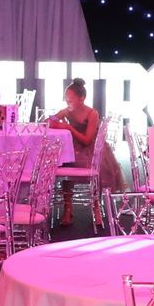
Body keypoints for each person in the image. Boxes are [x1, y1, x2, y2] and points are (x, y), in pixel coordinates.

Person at [46, 78, 112, 225]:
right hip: (73, 147)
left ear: (81, 99)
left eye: (70, 100)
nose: (67, 103)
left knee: (77, 163)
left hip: (89, 149)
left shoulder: (91, 113)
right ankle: (67, 207)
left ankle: (96, 206)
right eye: (66, 100)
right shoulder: (67, 111)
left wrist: (69, 128)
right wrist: (55, 119)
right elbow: (48, 121)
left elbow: (87, 140)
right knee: (65, 162)